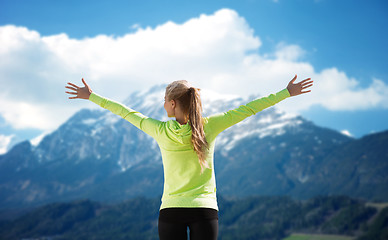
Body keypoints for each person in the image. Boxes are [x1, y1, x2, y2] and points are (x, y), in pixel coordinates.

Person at [65, 75, 313, 240]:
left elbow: (123, 111)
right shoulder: (210, 126)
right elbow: (248, 109)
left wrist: (91, 96)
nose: (163, 106)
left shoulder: (159, 130)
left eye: (164, 101)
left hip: (171, 210)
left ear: (173, 104)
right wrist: (286, 93)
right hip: (205, 211)